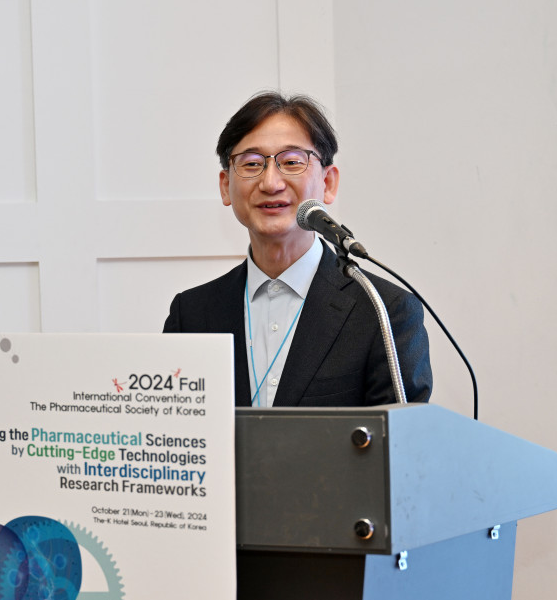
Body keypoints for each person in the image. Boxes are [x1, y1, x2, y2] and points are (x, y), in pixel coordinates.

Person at [163, 91, 432, 407]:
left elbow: (401, 436)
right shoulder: (191, 315)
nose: (270, 183)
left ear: (328, 183)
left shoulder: (385, 312)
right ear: (226, 186)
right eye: (251, 164)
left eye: (291, 162)